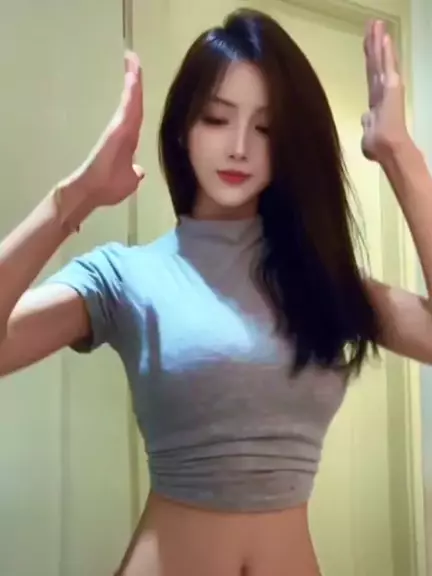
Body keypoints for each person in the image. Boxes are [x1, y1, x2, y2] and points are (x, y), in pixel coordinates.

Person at [1, 8, 432, 576]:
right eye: (216, 118)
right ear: (184, 127)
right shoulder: (126, 277)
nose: (239, 147)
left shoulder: (324, 282)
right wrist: (76, 196)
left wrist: (399, 153)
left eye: (265, 128)